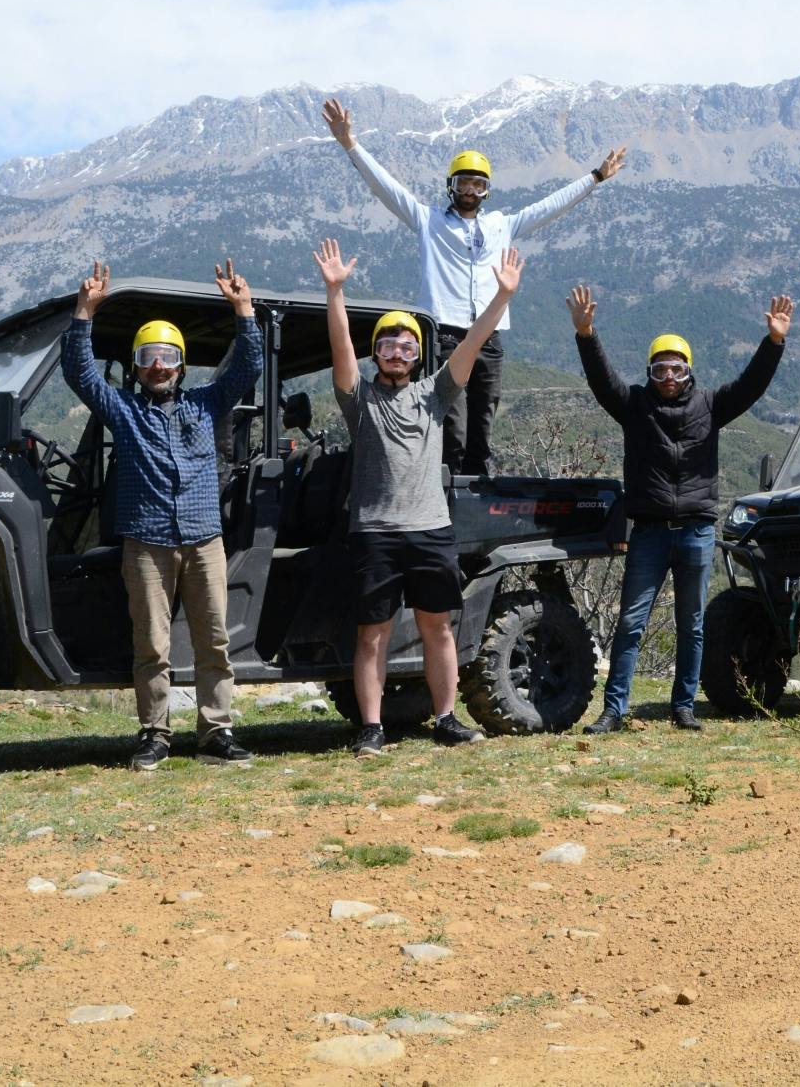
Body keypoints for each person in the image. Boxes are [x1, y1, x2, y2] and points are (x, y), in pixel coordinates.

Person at [321, 96, 627, 475]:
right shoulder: (428, 221)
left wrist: (593, 178)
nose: (471, 190)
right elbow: (387, 188)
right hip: (445, 335)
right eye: (464, 182)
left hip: (490, 336)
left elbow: (549, 207)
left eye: (478, 184)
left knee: (483, 422)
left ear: (487, 190)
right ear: (451, 186)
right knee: (452, 424)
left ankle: (478, 493)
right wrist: (350, 144)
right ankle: (446, 491)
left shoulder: (502, 224)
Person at [315, 235, 522, 757]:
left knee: (439, 631)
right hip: (376, 534)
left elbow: (472, 347)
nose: (397, 354)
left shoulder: (434, 394)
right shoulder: (359, 401)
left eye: (407, 347)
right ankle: (370, 727)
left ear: (417, 355)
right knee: (372, 636)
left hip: (431, 530)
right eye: (387, 346)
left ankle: (447, 718)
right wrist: (335, 293)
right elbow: (340, 351)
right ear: (376, 354)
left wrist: (500, 300)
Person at [64, 259, 265, 771]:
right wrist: (85, 311)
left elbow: (247, 369)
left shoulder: (205, 404)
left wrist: (243, 310)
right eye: (149, 357)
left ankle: (216, 731)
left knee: (214, 640)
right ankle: (155, 733)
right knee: (151, 644)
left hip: (204, 541)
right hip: (147, 544)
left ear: (182, 364)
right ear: (137, 365)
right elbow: (80, 374)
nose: (159, 365)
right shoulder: (123, 411)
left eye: (168, 357)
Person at [569, 285, 794, 733]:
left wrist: (773, 343)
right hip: (650, 532)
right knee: (631, 623)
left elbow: (751, 385)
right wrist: (586, 334)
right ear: (650, 372)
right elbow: (601, 380)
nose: (668, 375)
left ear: (689, 370)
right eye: (659, 368)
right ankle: (614, 711)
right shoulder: (634, 406)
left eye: (676, 367)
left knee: (691, 625)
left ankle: (684, 708)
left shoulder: (710, 405)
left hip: (695, 531)